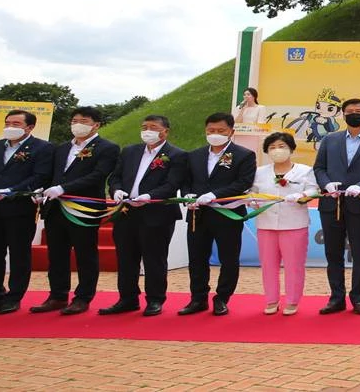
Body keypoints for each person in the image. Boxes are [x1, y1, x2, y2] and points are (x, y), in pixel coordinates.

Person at [32, 107, 120, 315]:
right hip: (55, 208)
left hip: (84, 209)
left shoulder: (107, 147)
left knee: (85, 253)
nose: (77, 124)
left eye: (83, 120)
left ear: (96, 124)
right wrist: (40, 190)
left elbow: (99, 175)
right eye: (74, 120)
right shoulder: (61, 148)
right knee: (57, 254)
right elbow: (52, 174)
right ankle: (57, 295)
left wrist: (64, 188)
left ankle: (83, 297)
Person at [102, 115, 187, 317]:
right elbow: (115, 176)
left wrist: (150, 196)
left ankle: (155, 299)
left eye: (153, 127)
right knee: (126, 258)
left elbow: (172, 184)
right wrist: (116, 190)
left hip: (156, 213)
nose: (147, 131)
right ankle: (127, 298)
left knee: (154, 258)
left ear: (165, 131)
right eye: (144, 127)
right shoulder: (130, 151)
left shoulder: (177, 155)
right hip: (126, 212)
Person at [312, 98, 360, 315]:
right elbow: (319, 168)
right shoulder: (330, 139)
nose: (353, 114)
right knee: (333, 253)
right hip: (331, 203)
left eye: (358, 111)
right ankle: (336, 298)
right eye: (349, 111)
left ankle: (358, 298)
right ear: (343, 115)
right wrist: (326, 184)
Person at [0, 110, 54, 315]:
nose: (10, 127)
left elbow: (40, 177)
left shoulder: (42, 148)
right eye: (7, 122)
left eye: (16, 123)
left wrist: (10, 191)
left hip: (19, 209)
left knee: (18, 254)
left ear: (30, 127)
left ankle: (14, 296)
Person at [178, 112, 256, 316]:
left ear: (231, 131)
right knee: (196, 258)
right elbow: (186, 181)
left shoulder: (244, 155)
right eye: (211, 131)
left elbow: (243, 183)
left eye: (220, 131)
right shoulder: (194, 155)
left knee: (228, 258)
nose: (215, 134)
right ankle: (198, 298)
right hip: (198, 214)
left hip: (226, 214)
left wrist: (214, 195)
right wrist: (188, 196)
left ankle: (222, 298)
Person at [251, 132, 318, 316]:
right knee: (268, 264)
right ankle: (271, 299)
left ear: (291, 149)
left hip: (294, 224)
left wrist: (302, 196)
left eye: (281, 146)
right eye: (272, 147)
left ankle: (292, 300)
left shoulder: (305, 171)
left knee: (294, 265)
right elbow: (251, 191)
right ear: (266, 151)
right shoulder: (260, 172)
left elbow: (313, 190)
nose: (277, 151)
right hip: (266, 224)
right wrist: (252, 200)